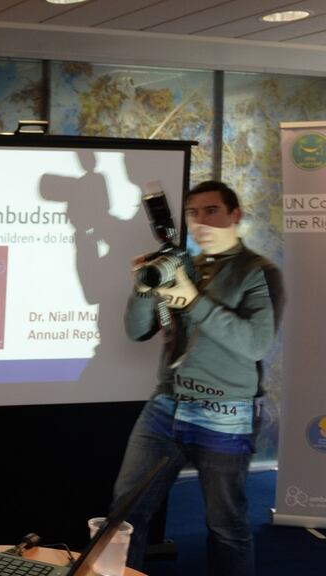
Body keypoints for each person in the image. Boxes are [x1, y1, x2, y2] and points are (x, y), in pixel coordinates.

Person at [111, 180, 284, 576]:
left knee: (227, 525)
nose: (200, 220)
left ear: (234, 215)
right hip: (166, 405)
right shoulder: (184, 265)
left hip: (226, 410)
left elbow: (255, 343)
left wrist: (194, 301)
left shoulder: (258, 272)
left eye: (211, 211)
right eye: (193, 212)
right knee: (126, 511)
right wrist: (143, 288)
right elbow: (138, 331)